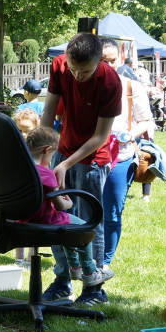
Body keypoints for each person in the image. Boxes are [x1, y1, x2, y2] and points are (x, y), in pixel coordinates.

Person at [40, 32, 122, 306]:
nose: (77, 75)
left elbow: (101, 136)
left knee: (89, 221)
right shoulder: (61, 65)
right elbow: (49, 113)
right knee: (58, 217)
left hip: (93, 158)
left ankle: (93, 287)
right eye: (73, 69)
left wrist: (65, 163)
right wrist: (44, 151)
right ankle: (63, 281)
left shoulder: (110, 82)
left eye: (84, 71)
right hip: (62, 151)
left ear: (100, 61)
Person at [21, 127, 112, 287]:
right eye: (51, 155)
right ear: (46, 150)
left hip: (23, 220)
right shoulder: (46, 174)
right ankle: (90, 272)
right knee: (84, 229)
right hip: (46, 220)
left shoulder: (18, 170)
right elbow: (61, 206)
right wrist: (69, 202)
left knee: (68, 229)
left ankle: (75, 267)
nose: (51, 160)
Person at [101, 49, 155, 269]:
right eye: (103, 60)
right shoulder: (84, 84)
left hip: (121, 157)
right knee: (84, 211)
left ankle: (104, 262)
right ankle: (85, 261)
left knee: (112, 212)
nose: (108, 65)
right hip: (88, 159)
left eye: (112, 60)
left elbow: (146, 121)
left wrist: (129, 135)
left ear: (119, 60)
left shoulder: (132, 86)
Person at [12, 107, 40, 268]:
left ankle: (30, 259)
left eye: (27, 130)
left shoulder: (39, 149)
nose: (23, 134)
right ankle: (18, 259)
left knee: (32, 226)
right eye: (19, 130)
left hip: (34, 193)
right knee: (18, 226)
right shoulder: (16, 147)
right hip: (19, 193)